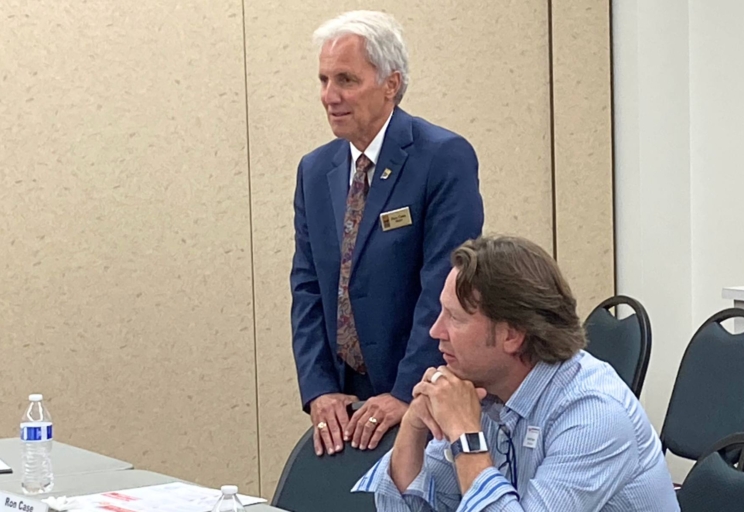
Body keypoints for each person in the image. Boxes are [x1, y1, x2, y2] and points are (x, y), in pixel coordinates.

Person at [352, 235, 680, 511]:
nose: (436, 331)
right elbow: (414, 505)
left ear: (512, 335)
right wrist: (413, 424)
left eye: (455, 318)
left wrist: (467, 437)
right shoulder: (480, 391)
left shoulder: (593, 413)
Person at [291, 10, 484, 457]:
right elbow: (307, 286)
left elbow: (443, 283)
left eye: (346, 80)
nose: (330, 96)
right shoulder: (315, 170)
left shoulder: (442, 158)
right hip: (344, 396)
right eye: (323, 80)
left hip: (420, 389)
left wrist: (405, 392)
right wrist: (319, 388)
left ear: (391, 84)